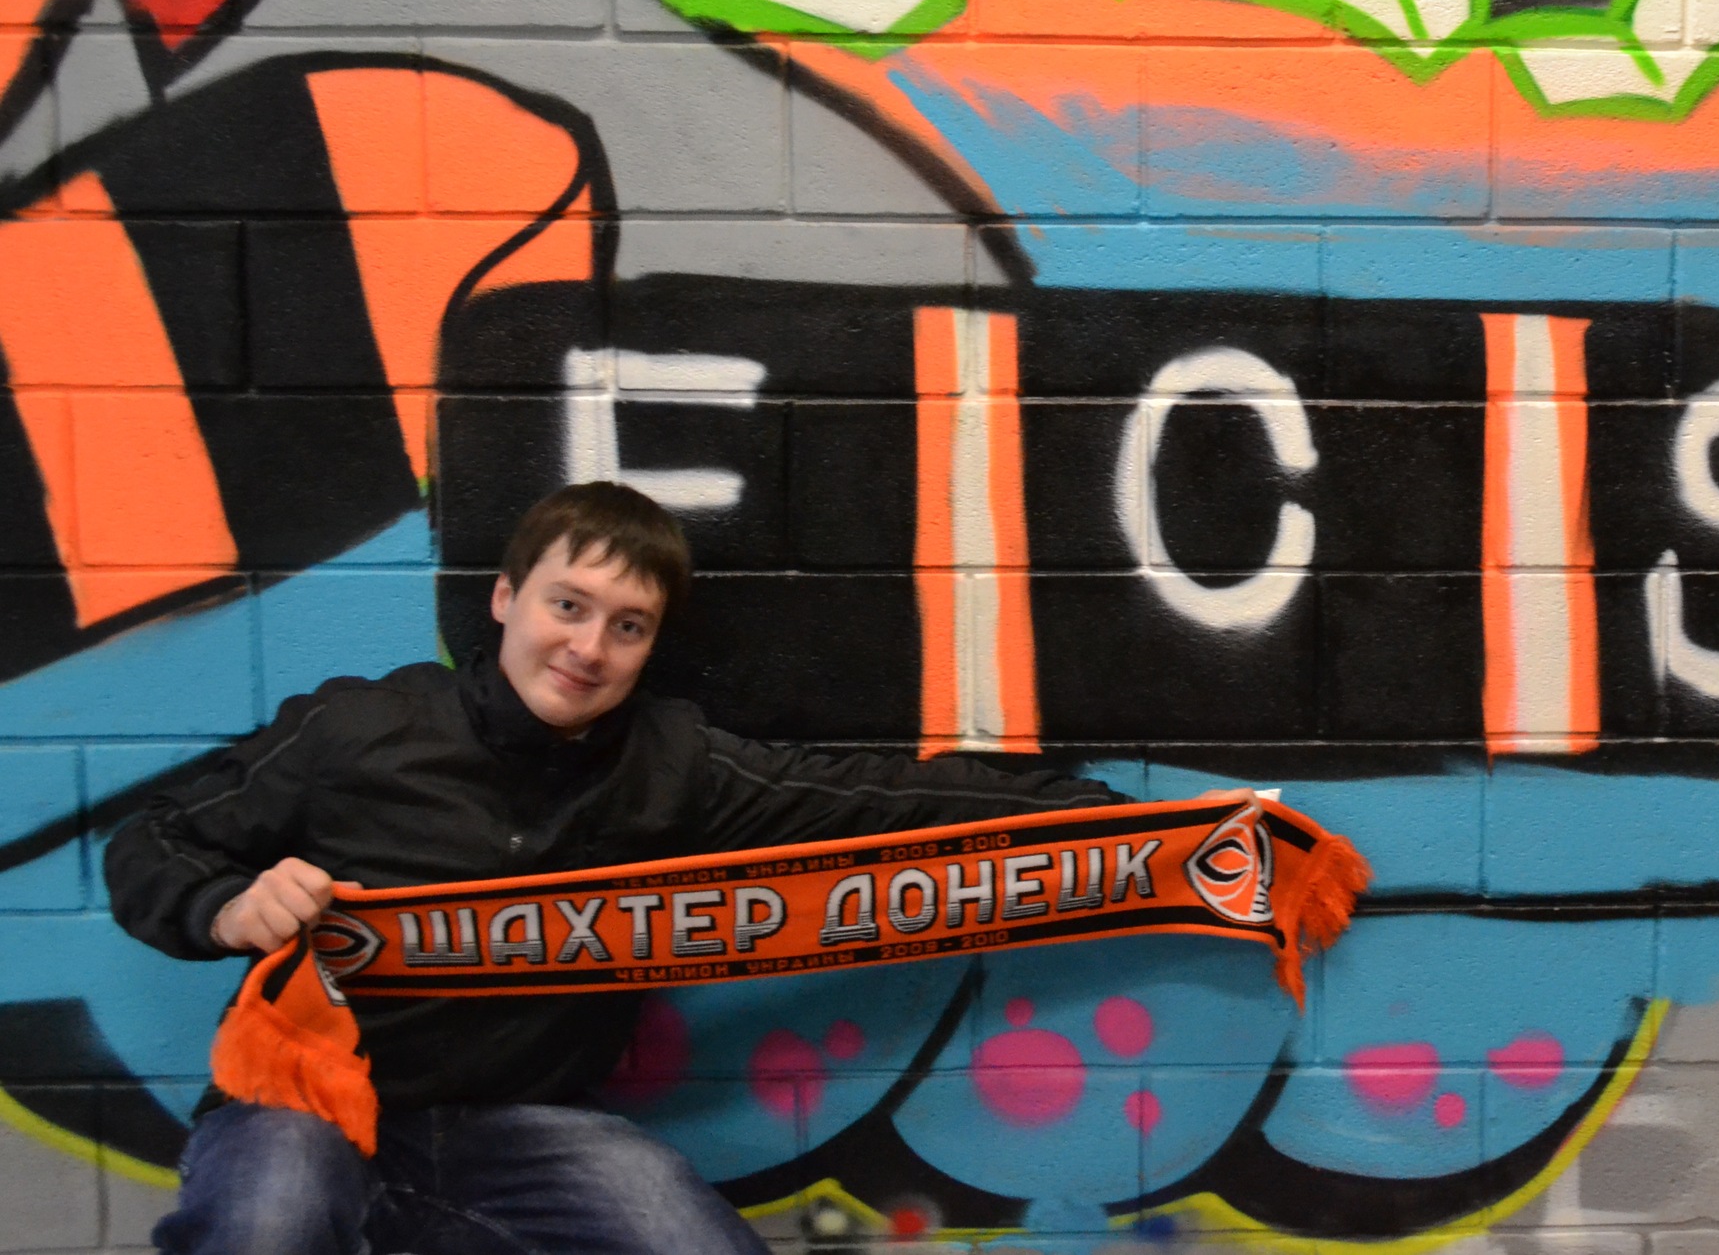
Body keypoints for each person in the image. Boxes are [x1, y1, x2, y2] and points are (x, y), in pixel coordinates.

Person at [107, 481, 1124, 1255]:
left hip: (523, 1125)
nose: (588, 648)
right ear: (505, 599)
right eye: (568, 605)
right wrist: (224, 905)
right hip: (308, 1099)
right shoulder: (356, 727)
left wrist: (1118, 826)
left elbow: (875, 797)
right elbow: (152, 840)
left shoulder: (672, 764)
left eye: (626, 626)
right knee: (267, 1227)